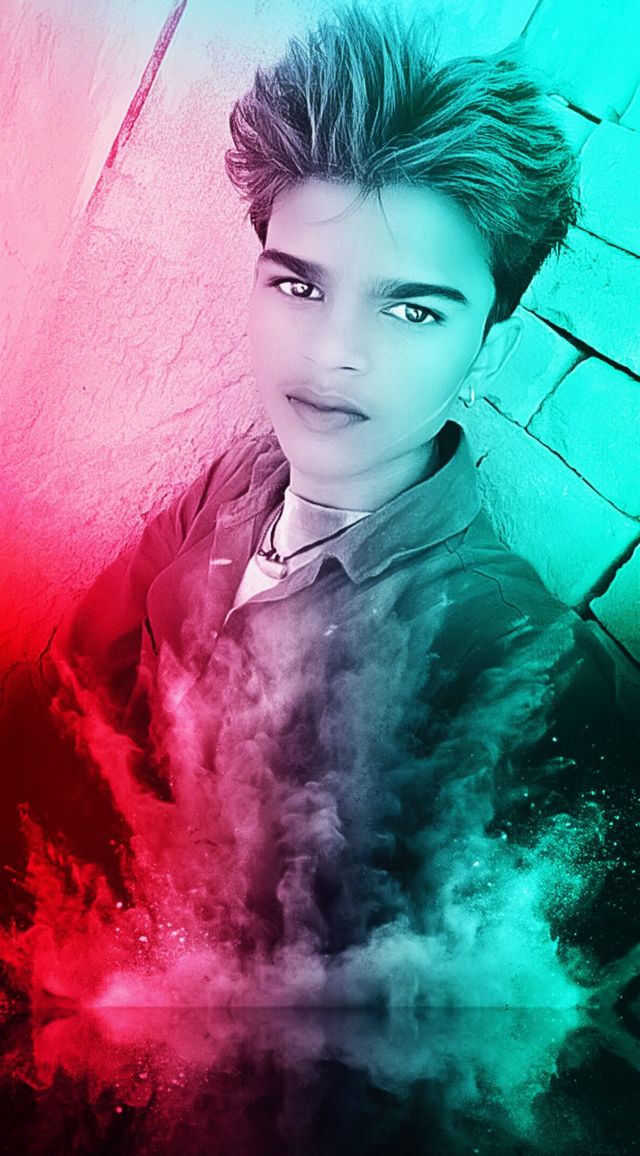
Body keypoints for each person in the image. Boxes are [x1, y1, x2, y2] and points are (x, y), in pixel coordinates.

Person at [4, 4, 639, 995]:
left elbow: (478, 1036)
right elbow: (60, 707)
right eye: (299, 288)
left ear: (491, 347)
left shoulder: (525, 667)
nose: (334, 351)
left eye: (411, 308)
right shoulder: (236, 484)